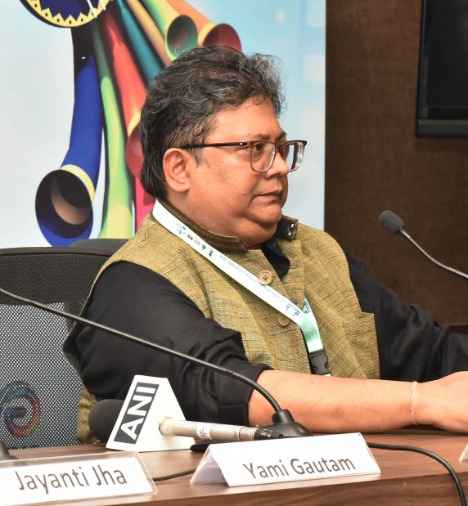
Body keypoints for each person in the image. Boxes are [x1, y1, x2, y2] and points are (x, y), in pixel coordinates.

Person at [64, 45, 468, 441]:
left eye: (278, 148)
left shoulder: (318, 252)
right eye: (254, 149)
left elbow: (430, 353)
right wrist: (419, 402)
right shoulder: (131, 286)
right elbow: (232, 392)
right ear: (179, 169)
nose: (277, 166)